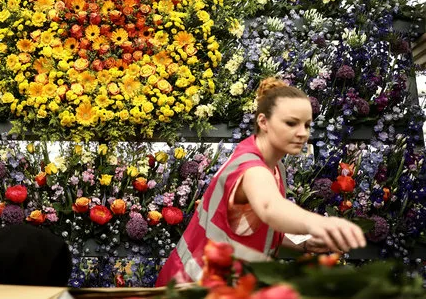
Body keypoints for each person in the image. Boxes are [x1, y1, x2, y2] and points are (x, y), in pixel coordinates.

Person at [155, 77, 367, 286]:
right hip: (193, 287)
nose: (302, 133)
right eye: (290, 123)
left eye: (306, 125)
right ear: (263, 122)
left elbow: (268, 229)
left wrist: (306, 242)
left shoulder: (273, 166)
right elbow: (270, 208)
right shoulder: (251, 169)